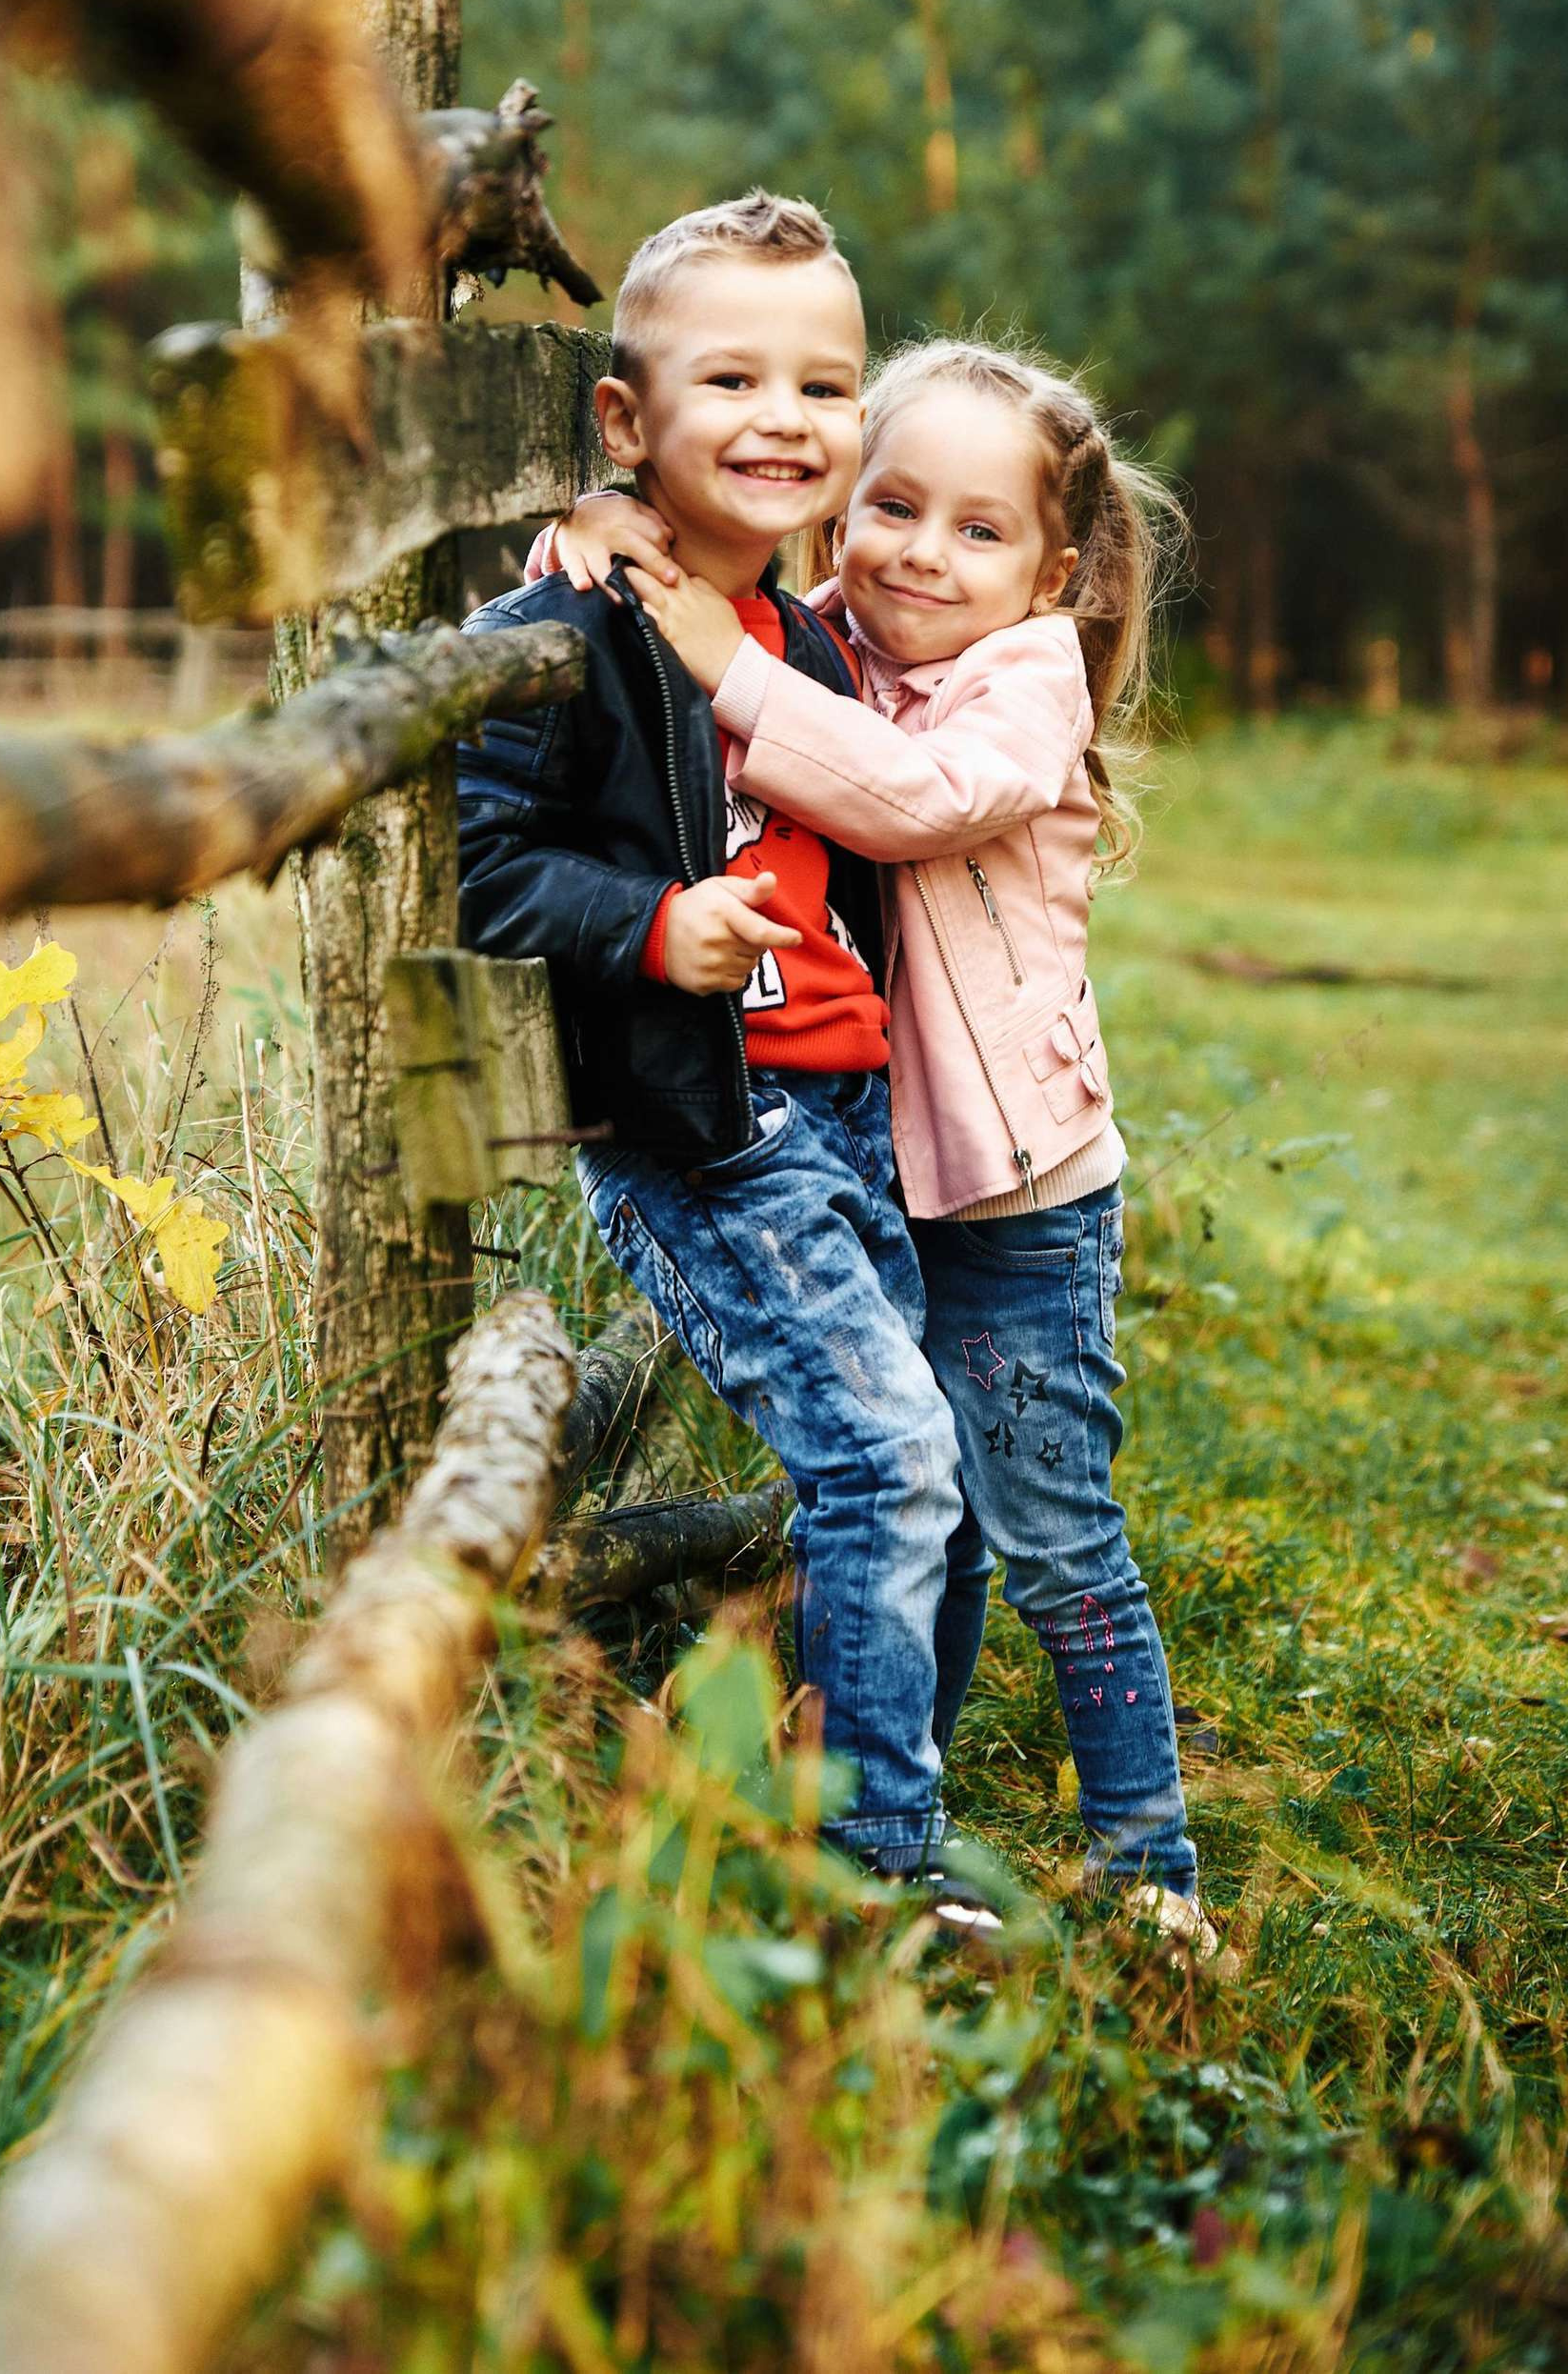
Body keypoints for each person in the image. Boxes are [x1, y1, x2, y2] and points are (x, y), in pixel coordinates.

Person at [537, 336, 1217, 1957]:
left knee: (1052, 1533)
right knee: (931, 1503)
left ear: (1052, 570)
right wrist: (602, 530)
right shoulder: (828, 635)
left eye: (979, 531)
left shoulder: (1026, 682)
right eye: (893, 504)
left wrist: (730, 667)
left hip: (1026, 1196)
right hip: (886, 1161)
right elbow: (717, 588)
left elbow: (907, 796)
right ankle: (892, 1814)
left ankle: (1153, 1870)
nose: (922, 550)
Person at [457, 195, 995, 1924]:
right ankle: (868, 1882)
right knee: (887, 1463)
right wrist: (646, 925)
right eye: (732, 380)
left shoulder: (820, 631)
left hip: (846, 1117)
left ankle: (836, 1779)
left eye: (825, 386)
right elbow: (480, 866)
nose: (785, 419)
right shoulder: (567, 632)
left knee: (930, 1471)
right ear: (627, 419)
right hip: (704, 1135)